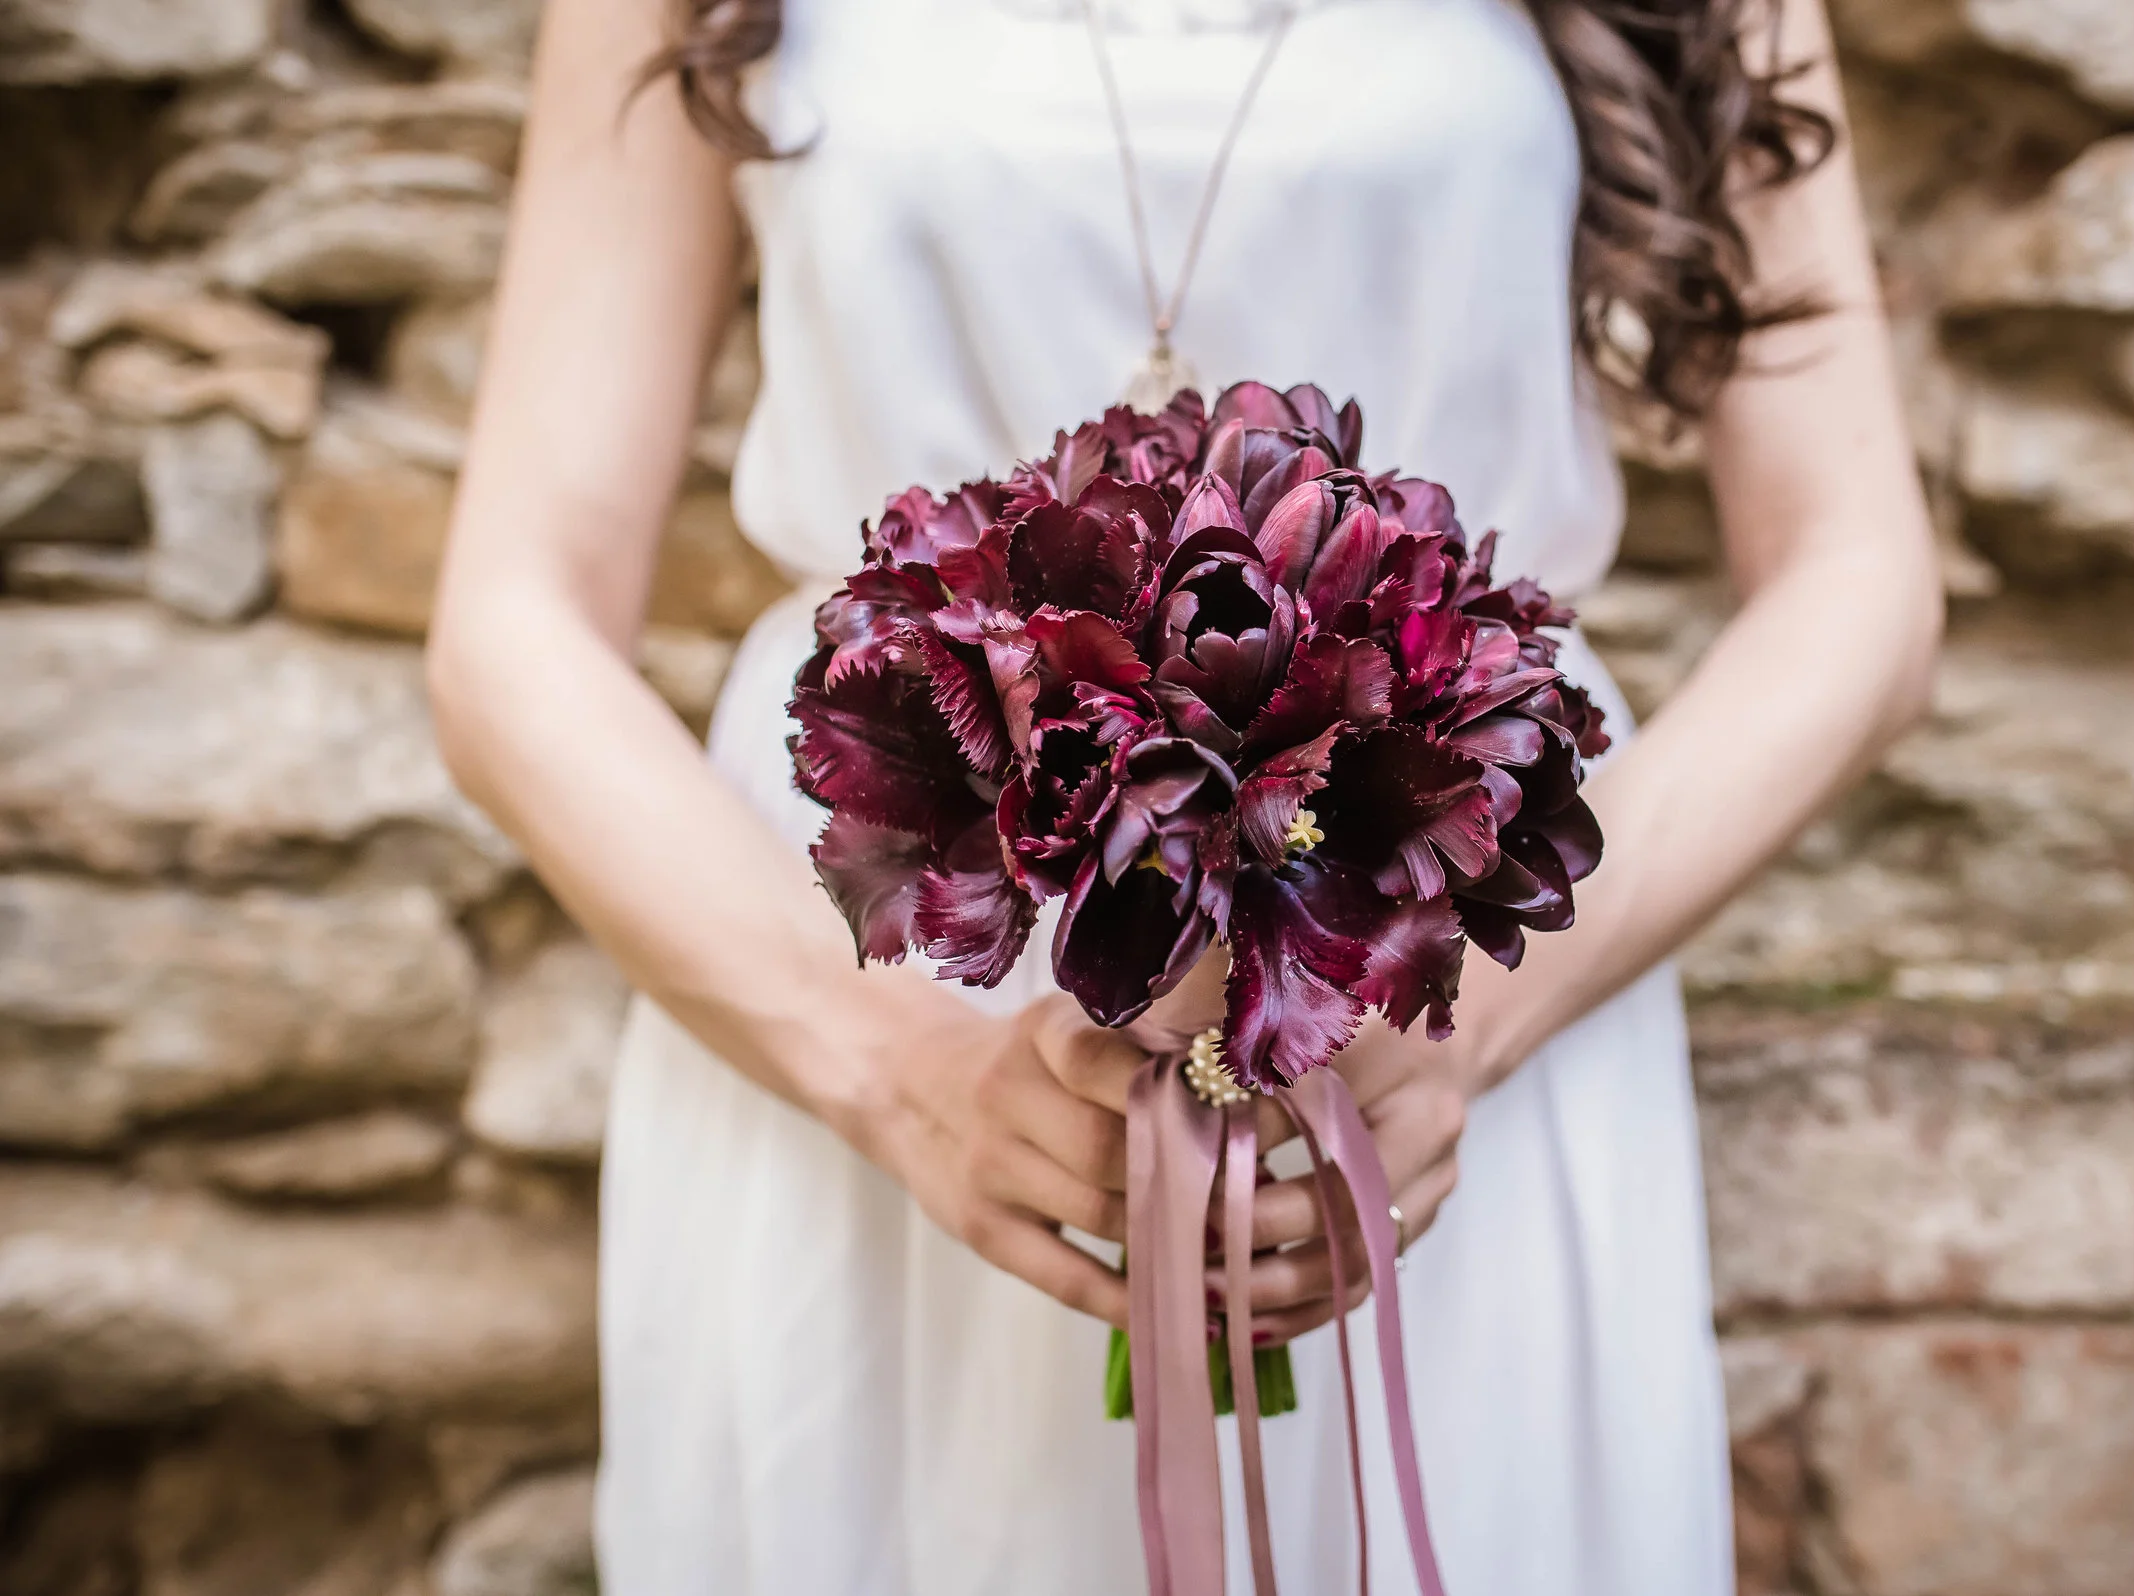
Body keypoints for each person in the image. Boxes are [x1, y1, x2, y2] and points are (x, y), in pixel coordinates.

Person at [427, 0, 1939, 1588]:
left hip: (1454, 970)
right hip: (880, 977)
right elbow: (511, 627)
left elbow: (1862, 581)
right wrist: (903, 1074)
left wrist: (1471, 1030)